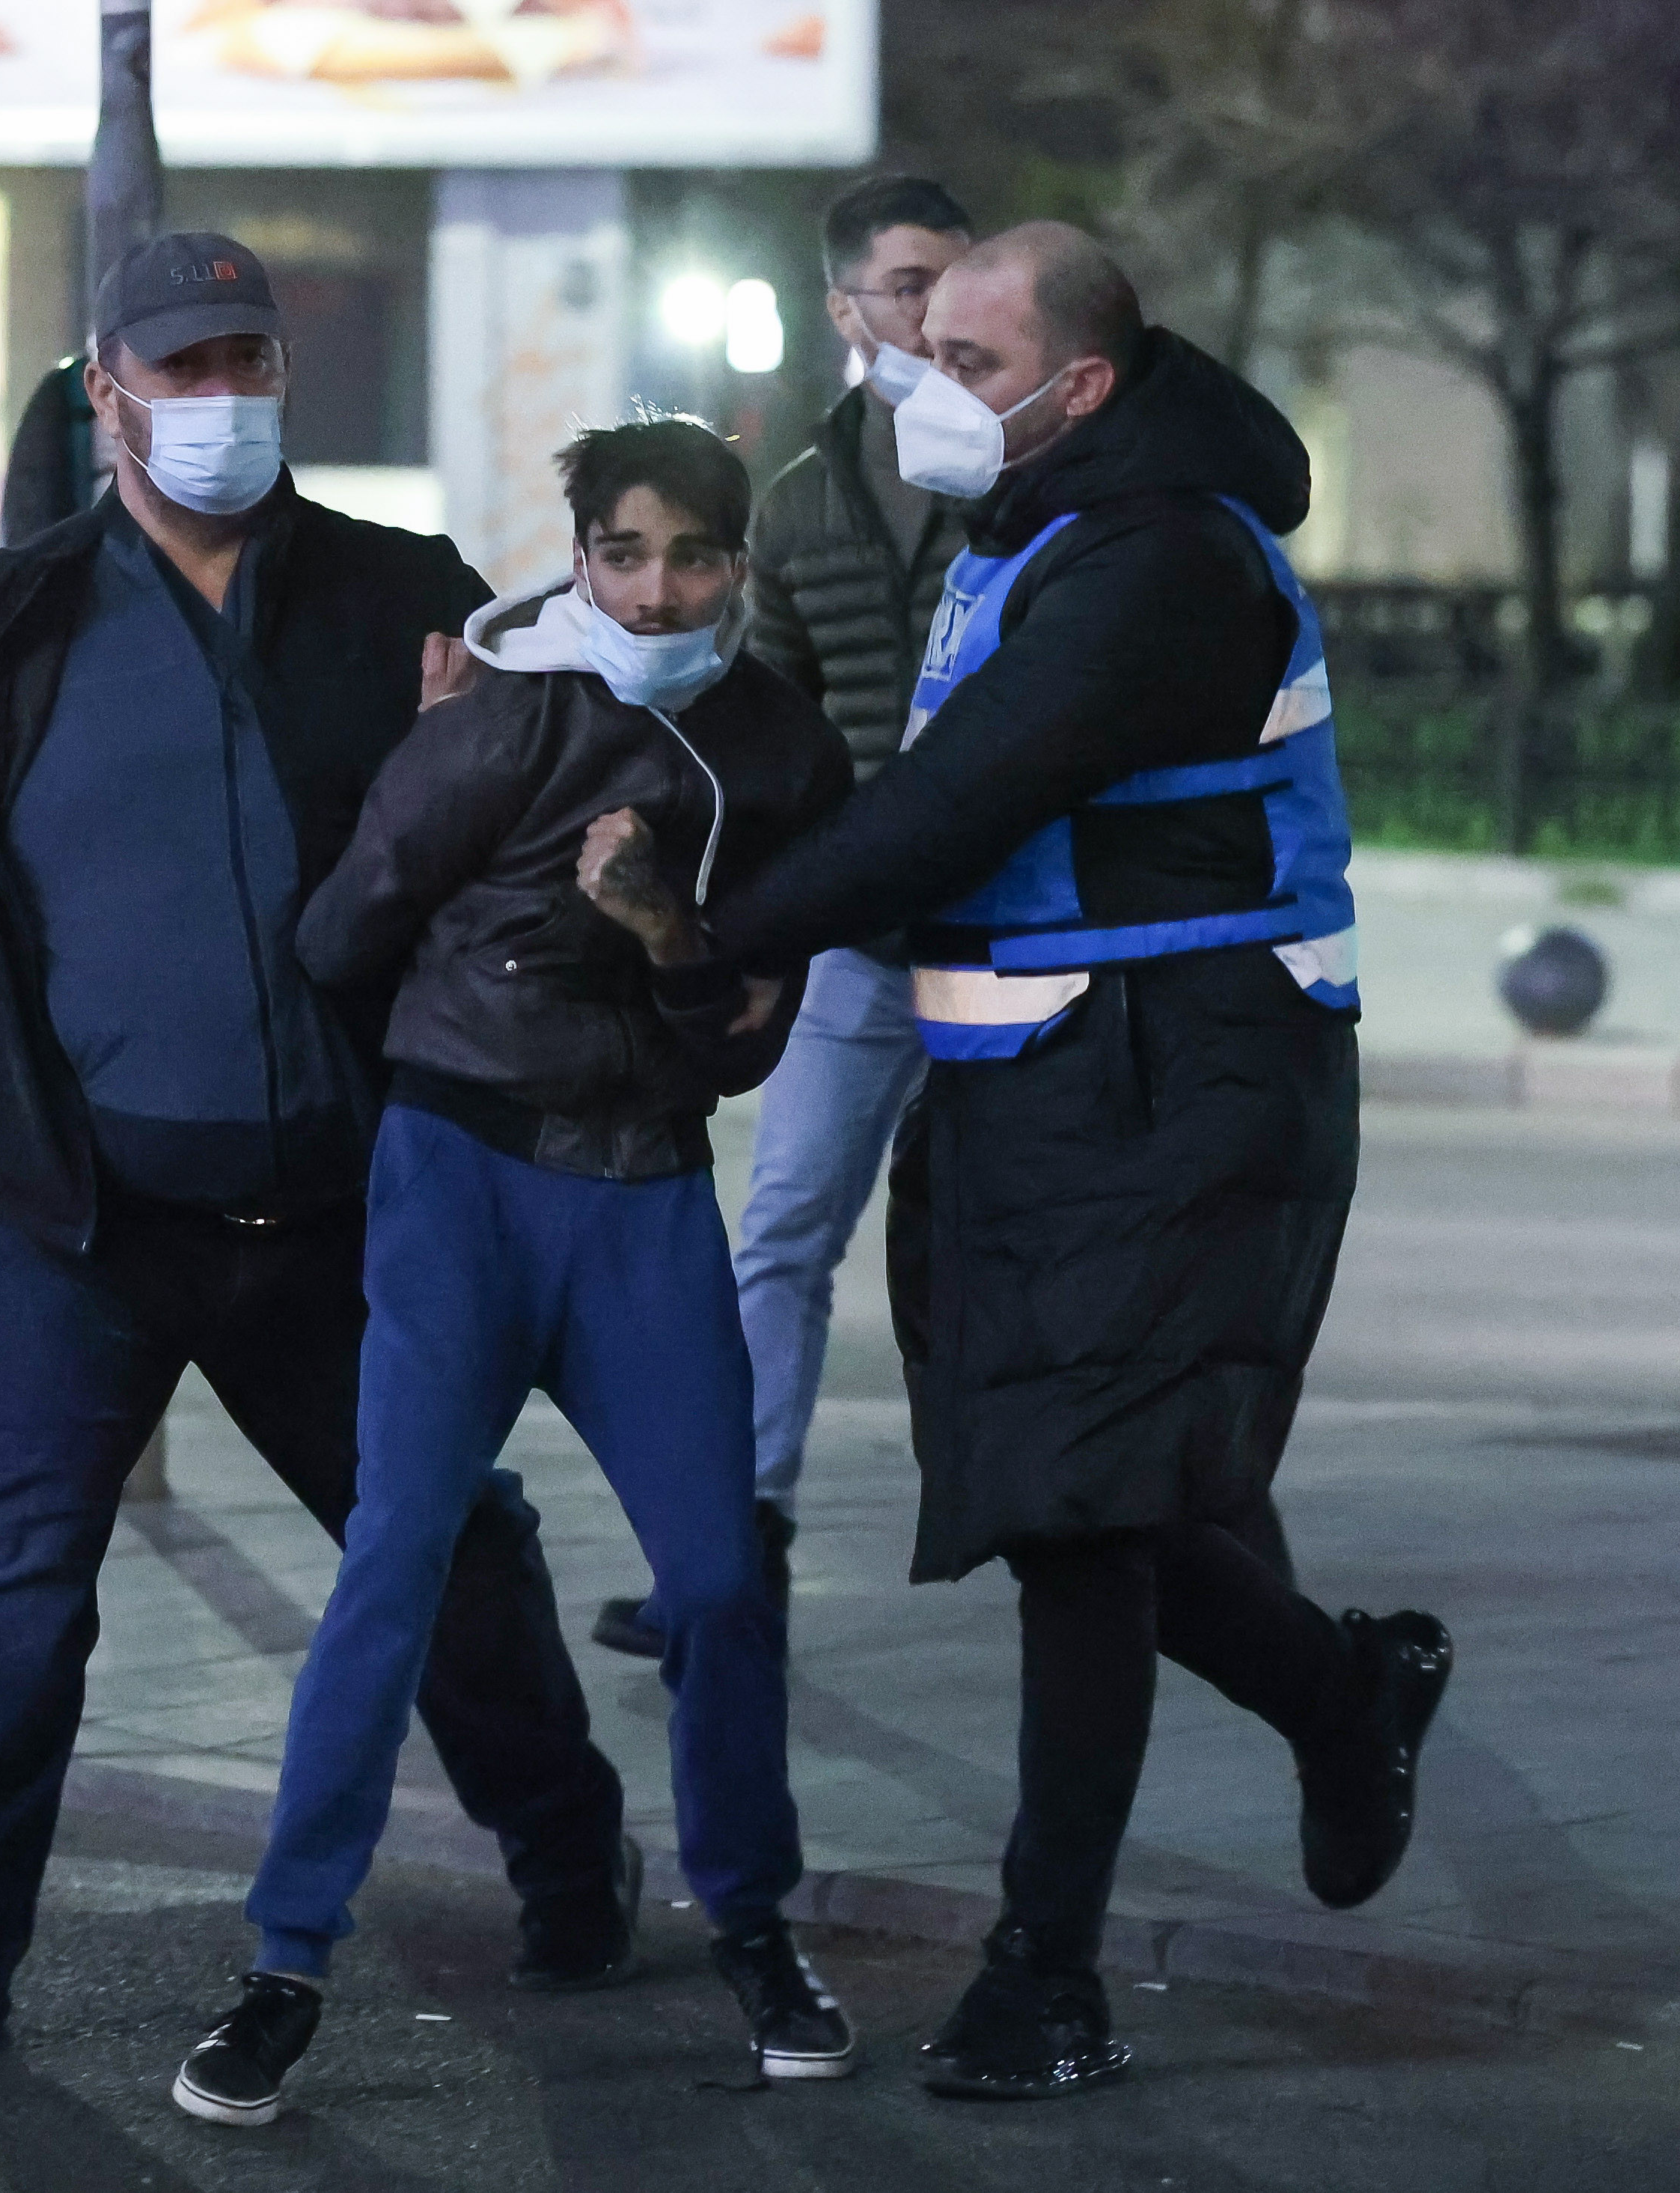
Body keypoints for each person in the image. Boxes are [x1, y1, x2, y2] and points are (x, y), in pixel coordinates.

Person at [0, 234, 632, 2058]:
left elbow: (552, 831)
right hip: (73, 1218)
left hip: (337, 1206)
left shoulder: (409, 604)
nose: (217, 393)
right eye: (180, 363)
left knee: (444, 1545)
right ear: (105, 391)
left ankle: (567, 1851)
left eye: (245, 356)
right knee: (0, 1574)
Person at [692, 222, 1452, 2101]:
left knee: (1083, 1516)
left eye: (962, 354)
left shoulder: (1164, 559)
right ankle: (1339, 1691)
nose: (912, 381)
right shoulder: (1030, 529)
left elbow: (961, 799)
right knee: (1072, 1498)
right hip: (1040, 1077)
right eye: (912, 340)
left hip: (1186, 1077)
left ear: (1079, 387)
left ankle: (1043, 1976)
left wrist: (718, 934)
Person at [169, 417, 858, 2129]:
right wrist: (488, 944)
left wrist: (659, 935)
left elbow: (739, 1054)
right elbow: (338, 935)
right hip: (459, 1178)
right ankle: (283, 1961)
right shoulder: (505, 710)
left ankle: (754, 1927)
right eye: (621, 554)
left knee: (712, 1576)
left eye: (693, 556)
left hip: (637, 1196)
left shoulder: (773, 749)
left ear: (738, 568)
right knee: (394, 1552)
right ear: (574, 556)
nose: (655, 587)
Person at [594, 174, 975, 1663]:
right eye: (905, 288)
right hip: (865, 951)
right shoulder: (803, 495)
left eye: (952, 282)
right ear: (844, 311)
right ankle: (731, 1539)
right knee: (778, 1233)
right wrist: (754, 929)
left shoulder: (1018, 475)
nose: (932, 314)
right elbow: (784, 737)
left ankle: (1073, 1530)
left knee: (999, 1248)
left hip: (1019, 943)